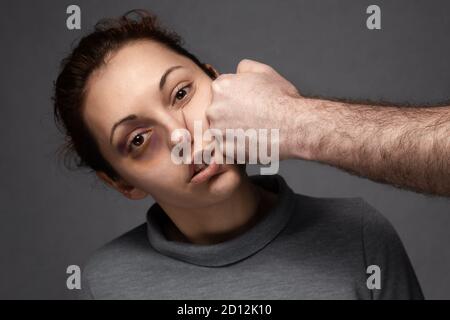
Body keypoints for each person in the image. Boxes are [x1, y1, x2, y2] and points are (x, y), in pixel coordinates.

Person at [53, 9, 423, 299]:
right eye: (138, 139)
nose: (182, 136)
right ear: (121, 182)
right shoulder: (106, 284)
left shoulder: (359, 233)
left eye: (182, 94)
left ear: (221, 84)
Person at [207, 60, 450, 197]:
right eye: (164, 141)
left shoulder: (362, 234)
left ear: (218, 80)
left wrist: (289, 117)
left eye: (182, 93)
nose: (177, 135)